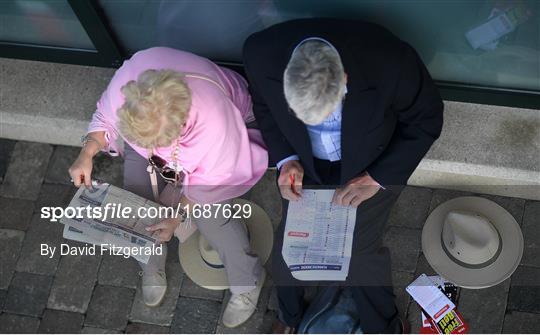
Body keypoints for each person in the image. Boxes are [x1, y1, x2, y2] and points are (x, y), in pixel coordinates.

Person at [243, 18, 444, 333]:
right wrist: (287, 158)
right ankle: (289, 318)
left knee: (361, 254)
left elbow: (426, 119)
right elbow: (264, 107)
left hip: (372, 163)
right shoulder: (259, 52)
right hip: (304, 165)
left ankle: (385, 326)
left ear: (345, 79)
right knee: (289, 249)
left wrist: (376, 178)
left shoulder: (391, 60)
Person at [68, 47, 269, 328]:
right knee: (137, 192)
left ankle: (247, 281)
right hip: (158, 130)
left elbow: (210, 183)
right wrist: (87, 153)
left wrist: (177, 215)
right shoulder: (132, 82)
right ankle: (149, 259)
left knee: (212, 217)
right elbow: (105, 115)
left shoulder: (213, 121)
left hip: (231, 141)